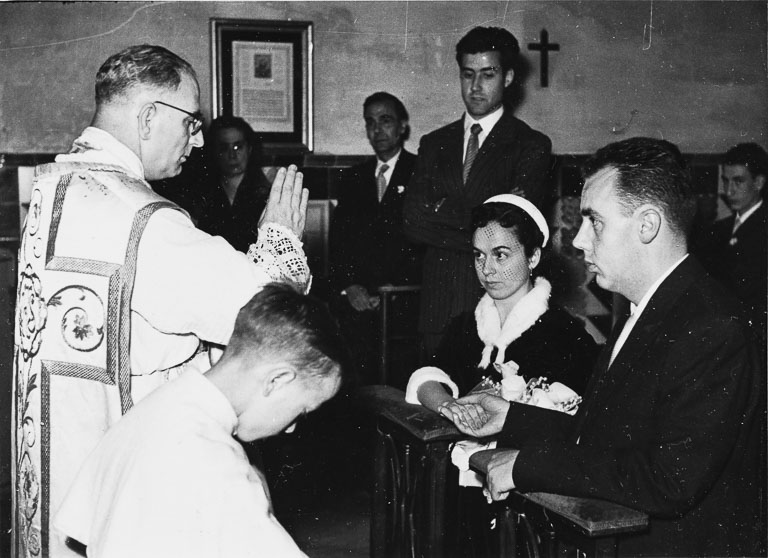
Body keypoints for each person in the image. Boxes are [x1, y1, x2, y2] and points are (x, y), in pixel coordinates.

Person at [13, 44, 310, 557]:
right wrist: (280, 239)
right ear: (150, 116)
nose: (198, 141)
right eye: (192, 122)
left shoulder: (54, 186)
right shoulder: (141, 220)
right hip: (128, 477)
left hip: (58, 462)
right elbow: (261, 313)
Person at [450, 138, 765, 557]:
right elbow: (606, 436)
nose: (579, 240)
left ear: (647, 225)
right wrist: (512, 418)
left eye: (594, 222)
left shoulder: (711, 326)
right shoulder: (648, 308)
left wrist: (525, 465)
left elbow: (668, 479)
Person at [54, 284, 344, 558]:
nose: (292, 427)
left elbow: (80, 528)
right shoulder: (214, 460)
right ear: (277, 381)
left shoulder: (154, 408)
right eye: (302, 410)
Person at [403, 26, 554, 358]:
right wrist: (484, 222)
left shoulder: (530, 145)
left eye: (488, 74)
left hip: (501, 306)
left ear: (509, 77)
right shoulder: (433, 143)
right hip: (438, 307)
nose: (475, 86)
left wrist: (441, 211)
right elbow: (412, 221)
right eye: (467, 74)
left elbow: (513, 225)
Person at [405, 194, 596, 411]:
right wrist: (450, 407)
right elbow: (429, 377)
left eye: (500, 255)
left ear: (533, 257)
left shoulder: (565, 334)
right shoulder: (465, 326)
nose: (487, 269)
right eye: (479, 255)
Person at [328, 91, 422, 382]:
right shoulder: (353, 179)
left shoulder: (422, 172)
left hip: (404, 302)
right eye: (370, 122)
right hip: (358, 306)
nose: (377, 129)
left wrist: (393, 291)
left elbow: (425, 244)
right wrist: (350, 286)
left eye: (385, 120)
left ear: (403, 126)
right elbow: (338, 243)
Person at [697, 142, 767, 346]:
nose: (729, 190)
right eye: (726, 181)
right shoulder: (719, 229)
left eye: (738, 181)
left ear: (759, 182)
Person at [195, 115, 273, 253]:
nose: (232, 155)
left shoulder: (267, 194)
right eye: (224, 148)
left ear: (249, 149)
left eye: (238, 147)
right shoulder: (201, 196)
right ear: (214, 152)